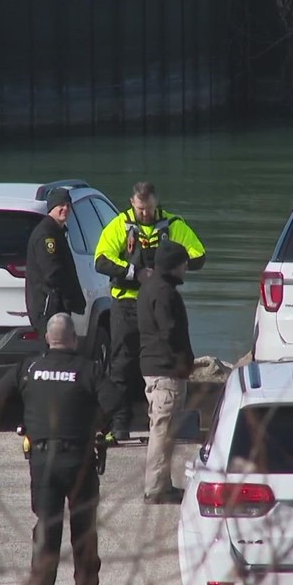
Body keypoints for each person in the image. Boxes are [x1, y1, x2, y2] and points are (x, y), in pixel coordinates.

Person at [0, 313, 121, 585]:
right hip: (80, 459)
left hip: (42, 459)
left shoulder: (29, 368)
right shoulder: (88, 370)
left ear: (48, 339)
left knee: (47, 529)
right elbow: (115, 401)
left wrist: (23, 421)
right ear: (73, 340)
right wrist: (100, 424)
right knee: (83, 528)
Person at [93, 181, 206, 444]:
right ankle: (119, 424)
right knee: (121, 363)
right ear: (133, 203)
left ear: (157, 204)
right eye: (141, 209)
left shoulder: (173, 224)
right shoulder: (120, 225)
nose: (146, 214)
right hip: (127, 303)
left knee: (162, 359)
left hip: (158, 303)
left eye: (150, 209)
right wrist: (135, 273)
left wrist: (167, 269)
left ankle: (161, 418)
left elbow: (199, 255)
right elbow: (102, 259)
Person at [137, 241, 195, 505]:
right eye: (183, 263)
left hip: (153, 366)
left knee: (164, 428)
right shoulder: (164, 293)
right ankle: (156, 488)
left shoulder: (149, 288)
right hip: (165, 370)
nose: (185, 268)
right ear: (173, 265)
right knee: (163, 429)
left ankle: (163, 483)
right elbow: (170, 332)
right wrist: (184, 361)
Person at [25, 188, 86, 338]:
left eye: (68, 205)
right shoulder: (46, 235)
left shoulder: (56, 231)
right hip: (49, 308)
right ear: (51, 207)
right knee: (55, 349)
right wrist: (70, 297)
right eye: (61, 205)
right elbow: (53, 273)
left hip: (56, 306)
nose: (65, 209)